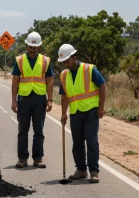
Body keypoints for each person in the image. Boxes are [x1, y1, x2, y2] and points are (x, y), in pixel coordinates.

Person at [57, 44, 106, 183]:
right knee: (77, 143)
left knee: (91, 142)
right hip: (75, 112)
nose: (65, 64)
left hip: (91, 111)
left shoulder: (89, 69)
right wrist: (63, 113)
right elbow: (64, 95)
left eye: (67, 61)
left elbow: (102, 86)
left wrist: (101, 107)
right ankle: (81, 170)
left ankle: (94, 171)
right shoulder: (64, 75)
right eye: (63, 62)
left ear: (74, 57)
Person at [11, 31, 54, 169]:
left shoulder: (45, 61)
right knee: (23, 130)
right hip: (24, 99)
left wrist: (50, 100)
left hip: (39, 99)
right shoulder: (20, 60)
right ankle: (22, 158)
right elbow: (15, 81)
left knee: (39, 130)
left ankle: (38, 158)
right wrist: (14, 100)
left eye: (34, 46)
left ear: (39, 47)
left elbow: (50, 81)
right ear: (26, 46)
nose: (32, 48)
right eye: (30, 46)